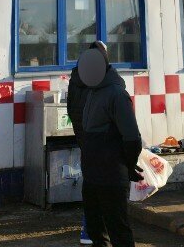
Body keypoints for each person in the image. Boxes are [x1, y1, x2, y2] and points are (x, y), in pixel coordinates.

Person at [75, 46, 142, 247]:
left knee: (118, 231)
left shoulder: (117, 94)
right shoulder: (92, 92)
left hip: (111, 176)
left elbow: (132, 138)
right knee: (96, 230)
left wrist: (129, 165)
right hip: (92, 176)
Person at [68, 41, 108, 246]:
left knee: (90, 182)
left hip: (84, 137)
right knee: (102, 184)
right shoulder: (99, 78)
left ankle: (87, 230)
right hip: (100, 138)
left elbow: (70, 109)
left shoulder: (75, 77)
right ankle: (95, 229)